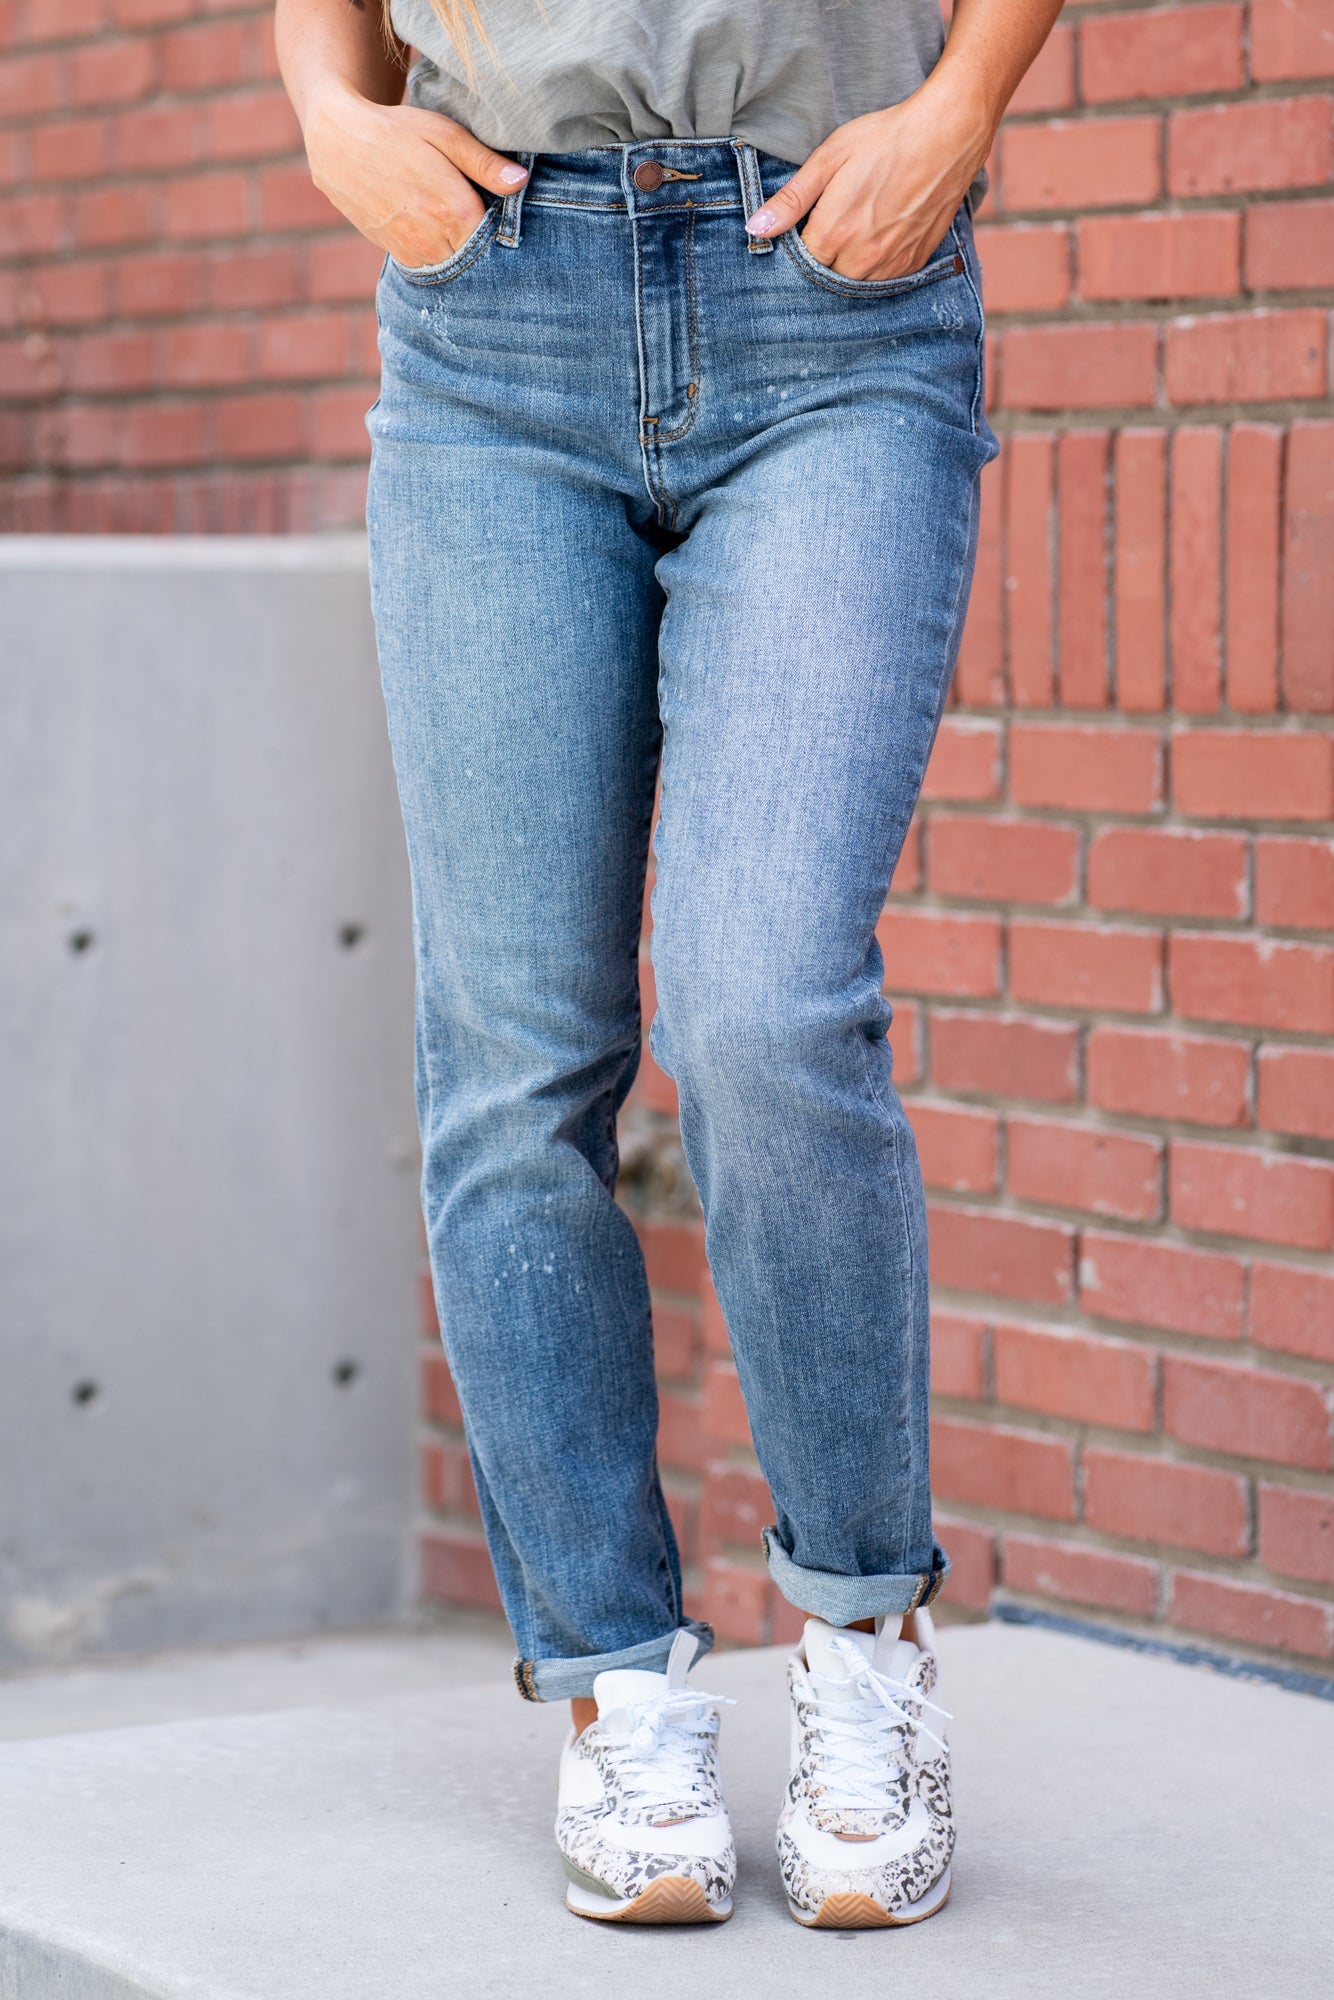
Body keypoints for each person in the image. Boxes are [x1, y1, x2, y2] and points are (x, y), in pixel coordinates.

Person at [277, 0, 1060, 1930]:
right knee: (519, 1051)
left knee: (765, 998)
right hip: (490, 307)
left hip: (828, 283)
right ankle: (618, 1685)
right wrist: (321, 106)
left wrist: (961, 103)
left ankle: (863, 1639)